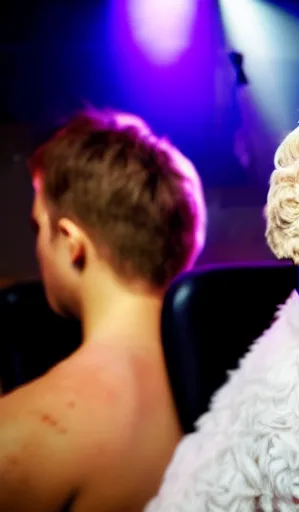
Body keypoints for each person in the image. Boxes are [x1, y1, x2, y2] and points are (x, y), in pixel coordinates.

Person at [0, 108, 206, 512]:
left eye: (37, 227)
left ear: (70, 240)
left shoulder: (24, 432)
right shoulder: (259, 389)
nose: (38, 246)